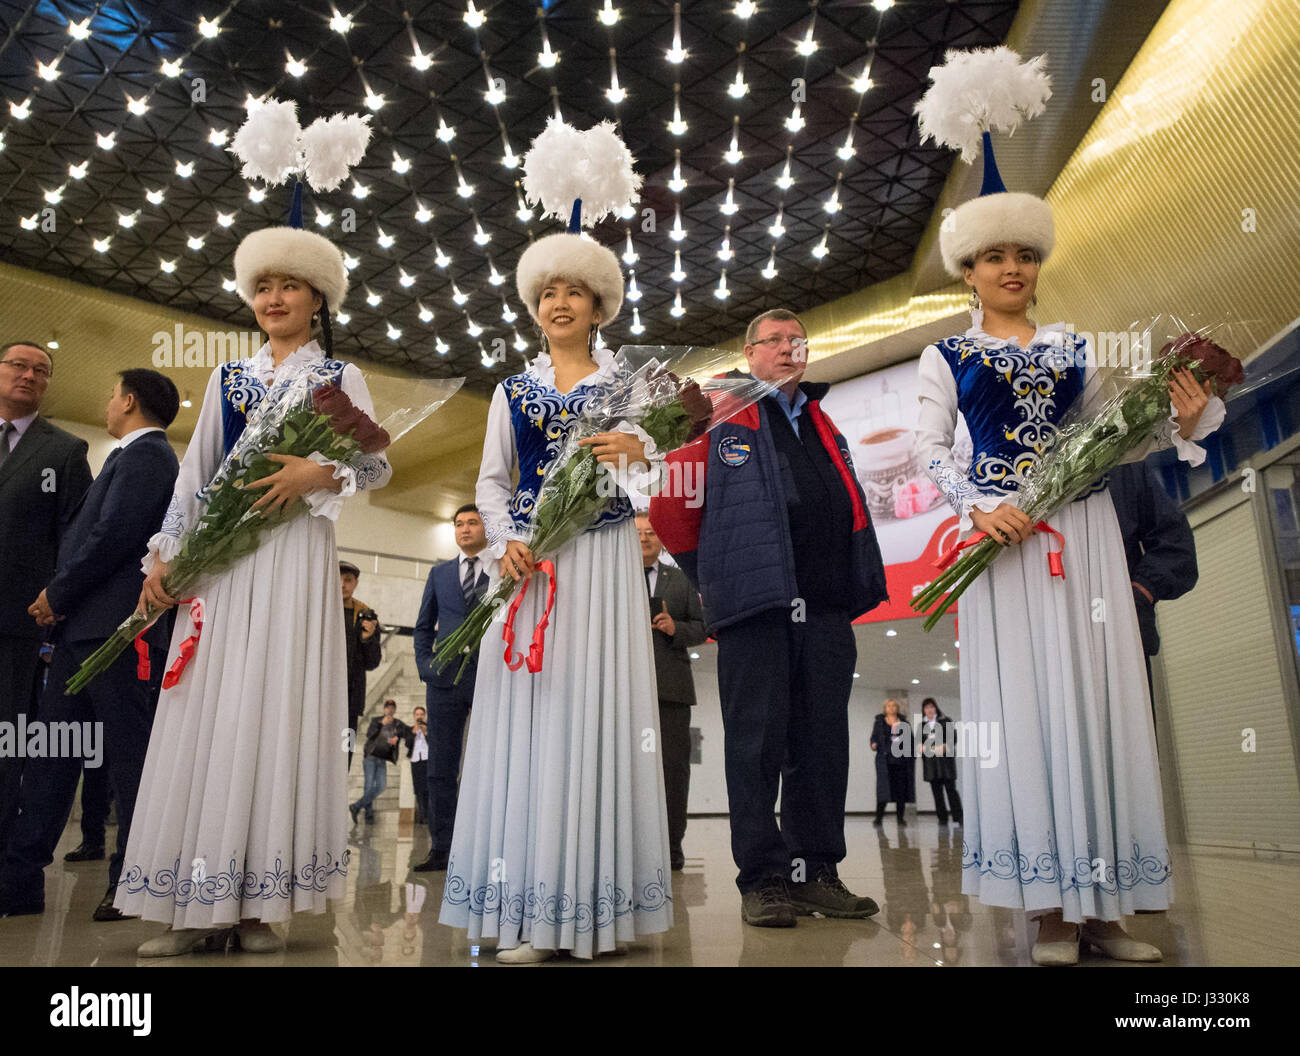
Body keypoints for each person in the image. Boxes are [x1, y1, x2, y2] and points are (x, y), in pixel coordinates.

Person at [914, 79, 1224, 964]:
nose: (1012, 268)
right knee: (1033, 716)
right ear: (968, 270)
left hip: (1086, 543)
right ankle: (1046, 912)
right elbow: (932, 448)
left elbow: (1113, 443)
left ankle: (1108, 911)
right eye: (993, 256)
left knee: (1100, 707)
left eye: (1025, 254)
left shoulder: (1075, 349)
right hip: (1007, 551)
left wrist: (1186, 418)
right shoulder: (949, 354)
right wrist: (981, 506)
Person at [113, 222, 392, 955]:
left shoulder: (340, 377)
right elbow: (195, 472)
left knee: (276, 713)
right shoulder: (228, 379)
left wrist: (317, 473)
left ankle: (261, 905)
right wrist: (166, 553)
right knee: (205, 716)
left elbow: (377, 467)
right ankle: (184, 904)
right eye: (263, 285)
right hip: (223, 567)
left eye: (289, 285)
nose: (274, 297)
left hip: (296, 560)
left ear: (317, 296)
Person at [438, 224, 673, 963]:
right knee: (530, 720)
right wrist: (508, 537)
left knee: (592, 714)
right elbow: (491, 480)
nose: (559, 301)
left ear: (600, 305)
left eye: (573, 289)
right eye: (547, 291)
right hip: (531, 567)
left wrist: (643, 451)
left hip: (603, 561)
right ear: (533, 307)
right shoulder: (512, 389)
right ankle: (531, 907)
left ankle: (593, 905)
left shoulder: (635, 386)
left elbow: (656, 479)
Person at [651, 307, 889, 929]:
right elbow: (672, 505)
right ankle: (763, 880)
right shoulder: (718, 411)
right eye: (775, 341)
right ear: (749, 352)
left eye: (798, 341)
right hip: (756, 606)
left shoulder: (820, 417)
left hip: (828, 603)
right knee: (756, 743)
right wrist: (721, 578)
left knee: (822, 743)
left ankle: (816, 875)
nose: (789, 349)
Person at [0, 369, 180, 921]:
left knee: (130, 758)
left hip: (119, 632)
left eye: (110, 394)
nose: (106, 404)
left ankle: (131, 881)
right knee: (52, 757)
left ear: (127, 401)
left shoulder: (150, 458)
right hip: (82, 632)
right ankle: (20, 880)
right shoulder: (125, 458)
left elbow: (113, 536)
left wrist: (57, 591)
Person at [0, 340, 93, 852]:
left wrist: (53, 611)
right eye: (19, 365)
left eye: (42, 371)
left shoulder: (63, 451)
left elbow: (72, 541)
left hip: (15, 626)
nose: (30, 375)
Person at [411, 504, 490, 872]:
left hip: (491, 678)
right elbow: (423, 625)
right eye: (459, 524)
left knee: (490, 763)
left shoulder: (500, 567)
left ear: (485, 528)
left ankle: (487, 845)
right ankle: (442, 847)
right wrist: (426, 666)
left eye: (472, 522)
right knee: (440, 766)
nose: (464, 529)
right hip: (443, 681)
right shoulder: (439, 573)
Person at [636, 512, 707, 872]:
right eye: (638, 533)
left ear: (661, 540)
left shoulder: (681, 579)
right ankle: (629, 846)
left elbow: (702, 627)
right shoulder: (613, 580)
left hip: (671, 690)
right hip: (626, 691)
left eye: (651, 532)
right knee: (627, 771)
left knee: (673, 772)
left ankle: (671, 846)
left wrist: (673, 626)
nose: (645, 538)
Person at [1106, 461, 1198, 705]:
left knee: (1130, 741)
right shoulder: (1008, 466)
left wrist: (1137, 597)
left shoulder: (1121, 461)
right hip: (1040, 645)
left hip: (1122, 644)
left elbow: (1176, 547)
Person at [340, 560, 381, 770]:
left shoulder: (366, 615)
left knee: (344, 758)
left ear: (355, 583)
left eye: (347, 580)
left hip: (350, 705)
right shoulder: (320, 611)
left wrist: (367, 638)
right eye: (337, 579)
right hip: (319, 700)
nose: (342, 585)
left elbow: (373, 662)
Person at [350, 700, 410, 824]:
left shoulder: (398, 724)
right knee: (369, 786)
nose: (390, 710)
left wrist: (397, 737)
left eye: (392, 707)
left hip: (382, 759)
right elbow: (369, 735)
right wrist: (381, 724)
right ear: (384, 709)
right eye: (388, 707)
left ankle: (356, 806)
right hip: (371, 757)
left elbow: (407, 732)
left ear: (395, 709)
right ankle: (368, 813)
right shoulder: (376, 720)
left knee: (381, 786)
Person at [870, 698, 915, 827]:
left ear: (897, 708)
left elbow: (910, 741)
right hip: (885, 761)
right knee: (883, 789)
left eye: (894, 705)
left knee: (900, 789)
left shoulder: (904, 723)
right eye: (889, 706)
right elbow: (874, 737)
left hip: (901, 761)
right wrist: (873, 743)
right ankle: (878, 818)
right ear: (885, 708)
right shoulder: (879, 723)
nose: (891, 708)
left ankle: (900, 818)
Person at [918, 697, 962, 826]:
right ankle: (942, 818)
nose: (929, 710)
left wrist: (939, 748)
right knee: (937, 793)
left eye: (931, 707)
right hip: (931, 765)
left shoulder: (946, 721)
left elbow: (952, 739)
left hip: (945, 763)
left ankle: (959, 817)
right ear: (923, 710)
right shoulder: (922, 726)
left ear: (936, 708)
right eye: (926, 707)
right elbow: (919, 744)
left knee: (951, 791)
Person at [405, 706, 429, 826]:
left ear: (424, 716)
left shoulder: (429, 728)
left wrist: (425, 733)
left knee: (428, 789)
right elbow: (407, 744)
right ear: (414, 716)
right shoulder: (410, 730)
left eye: (421, 714)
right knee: (419, 789)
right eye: (417, 714)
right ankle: (422, 816)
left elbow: (434, 743)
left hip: (427, 761)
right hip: (416, 761)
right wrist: (413, 733)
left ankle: (428, 815)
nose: (419, 716)